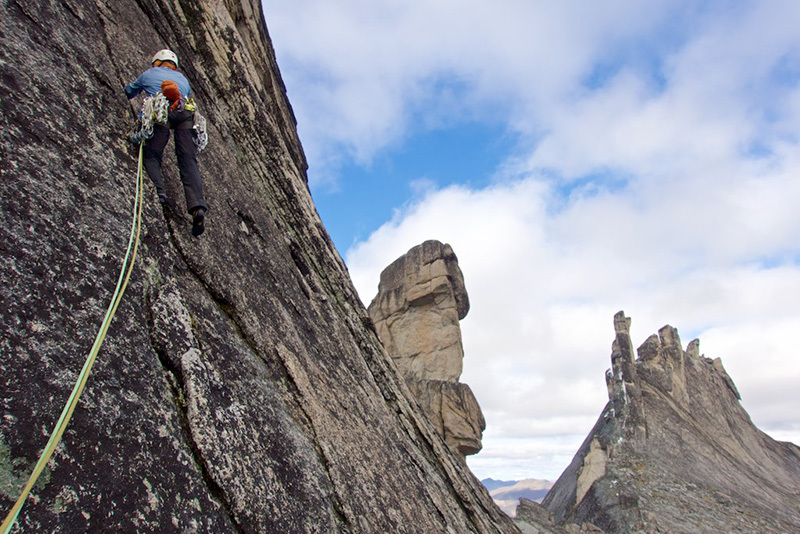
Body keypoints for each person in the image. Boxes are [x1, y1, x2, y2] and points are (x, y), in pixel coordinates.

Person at [125, 49, 207, 236]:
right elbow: (184, 95)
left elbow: (130, 92)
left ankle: (160, 192)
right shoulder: (183, 80)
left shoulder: (150, 73)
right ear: (174, 65)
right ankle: (197, 207)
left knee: (152, 154)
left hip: (161, 110)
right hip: (185, 113)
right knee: (188, 159)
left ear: (157, 62)